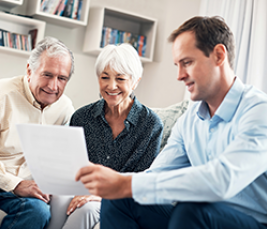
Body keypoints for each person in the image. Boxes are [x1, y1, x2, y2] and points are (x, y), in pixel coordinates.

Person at [75, 16, 267, 229]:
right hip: (199, 217)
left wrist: (125, 183)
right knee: (121, 198)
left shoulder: (258, 110)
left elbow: (222, 180)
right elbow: (156, 175)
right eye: (177, 65)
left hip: (252, 222)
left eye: (187, 63)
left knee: (192, 210)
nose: (179, 75)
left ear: (219, 56)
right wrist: (115, 188)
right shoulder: (189, 121)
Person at [47, 43, 163, 229]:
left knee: (87, 209)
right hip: (81, 187)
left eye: (120, 78)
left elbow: (143, 180)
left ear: (135, 81)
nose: (111, 85)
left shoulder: (150, 124)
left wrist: (102, 195)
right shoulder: (82, 117)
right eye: (104, 77)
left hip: (121, 196)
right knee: (60, 198)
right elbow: (71, 167)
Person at [0, 36, 75, 229]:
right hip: (4, 180)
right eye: (47, 75)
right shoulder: (3, 95)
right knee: (37, 210)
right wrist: (15, 184)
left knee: (45, 209)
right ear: (29, 70)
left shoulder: (65, 108)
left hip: (32, 187)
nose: (53, 86)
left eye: (62, 78)